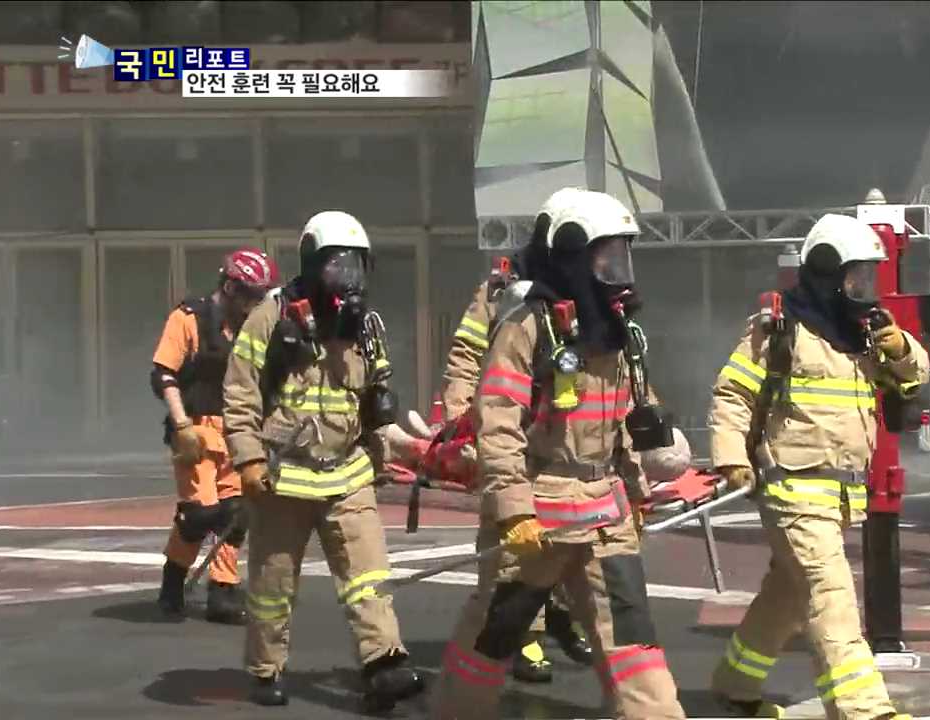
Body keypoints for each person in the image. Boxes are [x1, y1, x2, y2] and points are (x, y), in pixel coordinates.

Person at [431, 190, 686, 720]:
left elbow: (621, 418)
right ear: (572, 256)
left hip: (605, 512)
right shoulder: (527, 325)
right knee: (494, 635)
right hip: (541, 511)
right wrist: (513, 510)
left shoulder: (617, 332)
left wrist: (636, 490)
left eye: (623, 256)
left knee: (633, 642)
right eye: (606, 257)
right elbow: (498, 421)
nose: (618, 271)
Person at [708, 213, 927, 720]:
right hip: (793, 489)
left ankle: (735, 684)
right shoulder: (780, 329)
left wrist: (900, 348)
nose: (865, 289)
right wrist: (732, 459)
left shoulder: (862, 334)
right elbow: (733, 393)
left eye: (869, 277)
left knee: (786, 595)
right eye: (856, 277)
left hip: (839, 494)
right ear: (829, 273)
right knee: (831, 596)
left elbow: (914, 374)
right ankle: (864, 710)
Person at [222, 210, 424, 711]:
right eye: (338, 266)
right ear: (313, 264)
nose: (348, 278)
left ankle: (383, 665)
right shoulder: (271, 316)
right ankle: (266, 669)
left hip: (348, 473)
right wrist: (248, 460)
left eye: (356, 266)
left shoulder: (366, 327)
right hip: (284, 478)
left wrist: (390, 451)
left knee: (368, 577)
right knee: (272, 584)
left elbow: (375, 400)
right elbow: (240, 393)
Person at [438, 187, 595, 683]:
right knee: (510, 540)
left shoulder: (587, 295)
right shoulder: (500, 290)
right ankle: (523, 637)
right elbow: (467, 355)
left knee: (569, 534)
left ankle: (561, 616)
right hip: (509, 424)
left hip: (561, 429)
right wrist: (461, 419)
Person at [151, 247, 279, 623]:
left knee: (236, 514)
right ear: (230, 288)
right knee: (201, 514)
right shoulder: (188, 318)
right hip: (196, 431)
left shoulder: (251, 330)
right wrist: (182, 426)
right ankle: (173, 579)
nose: (255, 306)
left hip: (237, 430)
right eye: (251, 297)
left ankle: (223, 591)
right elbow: (163, 374)